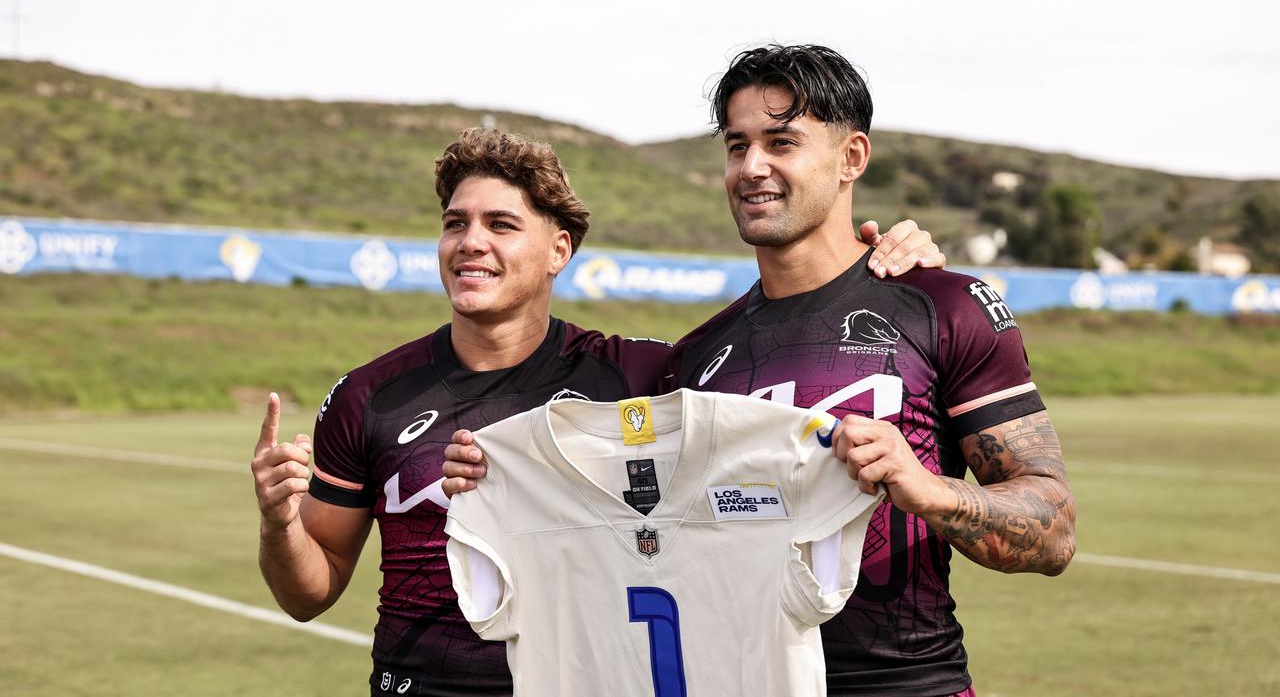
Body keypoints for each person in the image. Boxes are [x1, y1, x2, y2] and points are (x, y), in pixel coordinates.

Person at [444, 44, 1076, 697]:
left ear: (851, 158)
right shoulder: (690, 364)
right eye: (736, 145)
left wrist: (927, 490)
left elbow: (1054, 533)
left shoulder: (944, 307)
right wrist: (491, 472)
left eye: (781, 142)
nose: (752, 168)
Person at [251, 127, 943, 696]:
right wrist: (280, 525)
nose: (471, 243)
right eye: (455, 223)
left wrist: (879, 254)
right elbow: (309, 594)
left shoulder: (641, 376)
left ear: (559, 250)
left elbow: (776, 334)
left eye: (500, 225)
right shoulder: (369, 396)